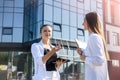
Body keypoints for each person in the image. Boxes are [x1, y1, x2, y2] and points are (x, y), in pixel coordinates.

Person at [76, 12, 110, 80]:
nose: (83, 23)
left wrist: (85, 59)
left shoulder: (94, 37)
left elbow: (99, 60)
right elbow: (93, 55)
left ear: (89, 22)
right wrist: (82, 52)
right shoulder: (94, 37)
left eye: (84, 21)